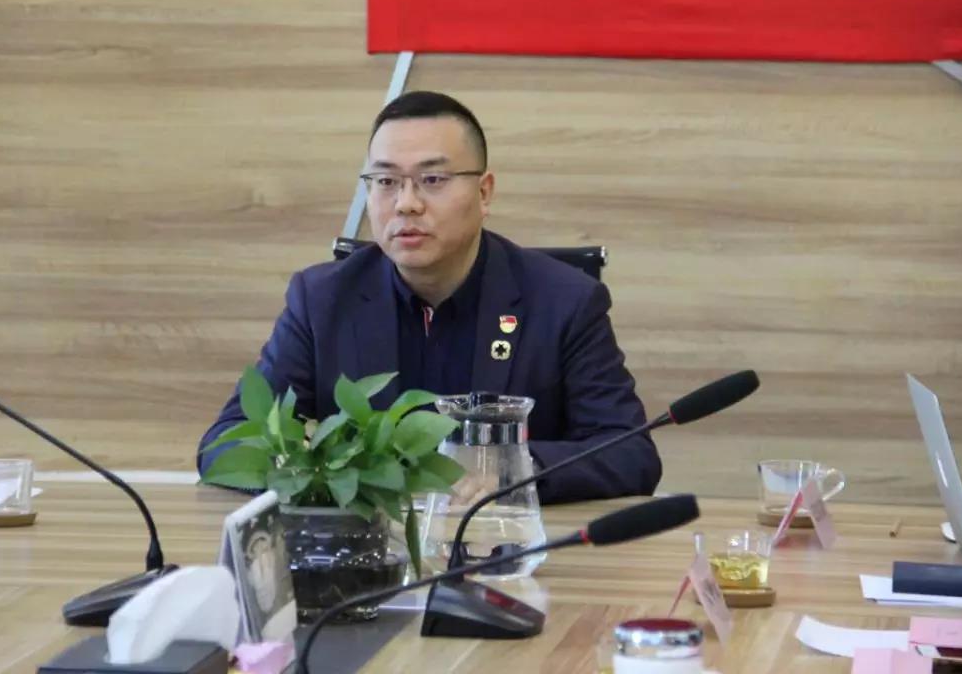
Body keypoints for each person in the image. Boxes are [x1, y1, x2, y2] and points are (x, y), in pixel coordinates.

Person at [198, 90, 661, 504]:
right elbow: (225, 444)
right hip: (363, 550)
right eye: (386, 182)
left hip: (507, 548)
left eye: (433, 180)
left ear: (484, 192)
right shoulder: (321, 300)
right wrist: (317, 473)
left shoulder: (564, 302)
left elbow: (630, 452)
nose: (406, 203)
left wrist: (511, 472)